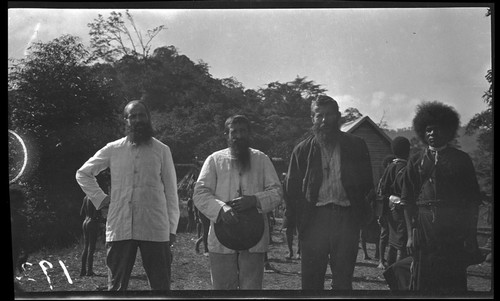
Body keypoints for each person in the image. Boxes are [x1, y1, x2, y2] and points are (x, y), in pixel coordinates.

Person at [75, 100, 180, 291]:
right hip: (120, 228)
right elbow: (83, 173)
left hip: (155, 228)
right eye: (133, 116)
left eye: (142, 115)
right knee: (116, 288)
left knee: (161, 287)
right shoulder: (113, 149)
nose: (138, 119)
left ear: (148, 118)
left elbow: (171, 193)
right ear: (126, 121)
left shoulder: (162, 150)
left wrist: (171, 229)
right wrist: (100, 198)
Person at [285, 95, 374, 290]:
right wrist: (302, 222)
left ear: (338, 116)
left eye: (330, 115)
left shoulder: (356, 146)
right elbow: (291, 190)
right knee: (311, 281)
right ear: (312, 119)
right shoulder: (302, 150)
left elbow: (367, 183)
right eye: (319, 115)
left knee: (343, 280)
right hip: (314, 220)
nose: (324, 120)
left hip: (346, 220)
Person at [400, 101, 483, 292]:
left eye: (437, 129)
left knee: (453, 281)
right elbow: (407, 201)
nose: (432, 133)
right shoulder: (415, 161)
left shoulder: (462, 159)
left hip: (454, 230)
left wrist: (470, 235)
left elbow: (472, 202)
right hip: (424, 229)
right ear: (423, 132)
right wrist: (410, 237)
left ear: (447, 131)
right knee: (424, 282)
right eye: (428, 130)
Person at [193, 115, 282, 290]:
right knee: (223, 289)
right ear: (226, 134)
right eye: (234, 132)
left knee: (251, 289)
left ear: (249, 134)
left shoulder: (261, 159)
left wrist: (255, 200)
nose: (239, 136)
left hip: (254, 236)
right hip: (221, 237)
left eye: (243, 131)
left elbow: (277, 191)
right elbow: (200, 193)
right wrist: (221, 209)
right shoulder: (214, 160)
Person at [379, 137, 411, 268]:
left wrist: (382, 212)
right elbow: (407, 192)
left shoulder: (389, 167)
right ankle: (398, 274)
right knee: (401, 244)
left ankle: (390, 271)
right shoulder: (406, 168)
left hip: (389, 208)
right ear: (408, 151)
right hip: (401, 209)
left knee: (392, 242)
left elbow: (383, 191)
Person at [375, 155, 396, 269]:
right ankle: (381, 260)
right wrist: (380, 214)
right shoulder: (383, 179)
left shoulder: (393, 176)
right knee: (384, 234)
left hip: (392, 209)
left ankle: (388, 260)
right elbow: (379, 196)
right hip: (385, 210)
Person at [80, 195, 102, 277]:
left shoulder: (85, 197)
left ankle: (83, 271)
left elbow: (81, 212)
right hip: (92, 223)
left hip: (85, 222)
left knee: (85, 247)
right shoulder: (95, 198)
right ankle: (89, 271)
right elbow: (96, 214)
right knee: (91, 248)